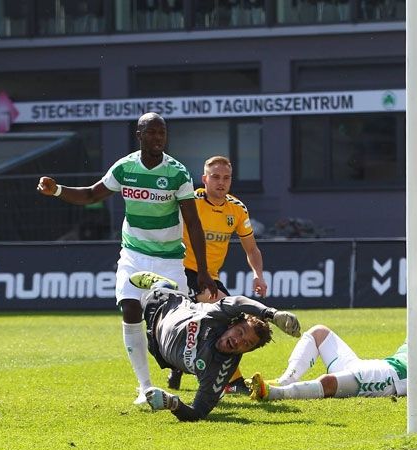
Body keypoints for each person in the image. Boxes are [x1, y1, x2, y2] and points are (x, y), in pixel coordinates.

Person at [37, 113, 216, 405]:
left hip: (169, 260)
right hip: (134, 255)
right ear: (139, 135)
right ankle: (145, 388)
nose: (158, 138)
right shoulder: (124, 167)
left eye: (162, 133)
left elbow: (193, 224)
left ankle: (193, 374)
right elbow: (90, 195)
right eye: (152, 132)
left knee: (177, 326)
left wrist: (204, 272)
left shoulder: (177, 173)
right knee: (130, 309)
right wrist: (57, 190)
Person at [248, 288, 417, 401]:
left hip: (391, 380)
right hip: (377, 365)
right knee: (319, 332)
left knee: (328, 382)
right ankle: (285, 380)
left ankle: (273, 393)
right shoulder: (416, 334)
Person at [129, 271, 301, 421]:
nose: (238, 341)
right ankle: (162, 284)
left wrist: (174, 405)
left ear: (247, 351)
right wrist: (271, 314)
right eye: (240, 332)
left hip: (161, 351)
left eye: (246, 343)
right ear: (231, 324)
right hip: (165, 306)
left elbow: (198, 412)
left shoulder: (221, 370)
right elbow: (238, 302)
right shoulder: (218, 316)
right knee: (137, 302)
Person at [167, 155, 268, 394]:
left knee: (214, 323)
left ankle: (178, 365)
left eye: (226, 178)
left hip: (210, 276)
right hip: (183, 272)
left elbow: (252, 249)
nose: (221, 182)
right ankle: (232, 382)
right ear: (204, 179)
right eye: (215, 177)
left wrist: (258, 274)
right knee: (230, 318)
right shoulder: (190, 201)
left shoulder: (237, 209)